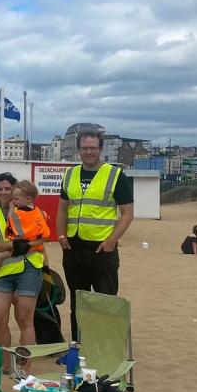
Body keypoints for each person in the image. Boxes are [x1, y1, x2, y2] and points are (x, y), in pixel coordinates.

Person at [56, 130, 134, 340]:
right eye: (84, 148)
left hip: (102, 248)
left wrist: (111, 241)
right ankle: (78, 346)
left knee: (105, 301)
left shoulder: (115, 175)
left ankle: (106, 348)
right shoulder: (70, 174)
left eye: (93, 148)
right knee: (78, 301)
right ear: (78, 150)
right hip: (74, 247)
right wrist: (61, 236)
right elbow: (63, 209)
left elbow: (127, 214)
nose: (89, 152)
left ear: (100, 149)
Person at [0, 180, 52, 373]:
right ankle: (5, 363)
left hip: (29, 267)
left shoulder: (36, 212)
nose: (4, 192)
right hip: (4, 271)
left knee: (25, 319)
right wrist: (13, 246)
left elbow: (43, 240)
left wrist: (46, 268)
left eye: (8, 189)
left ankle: (25, 366)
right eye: (0, 189)